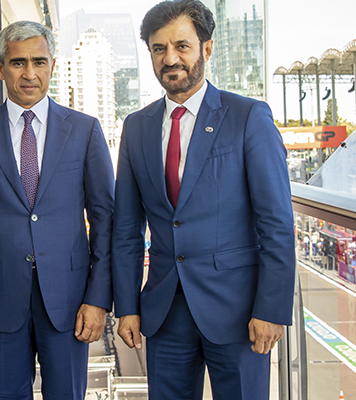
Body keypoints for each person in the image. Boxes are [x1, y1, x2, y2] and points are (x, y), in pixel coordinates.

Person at [111, 1, 296, 399]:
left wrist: (271, 308)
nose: (170, 58)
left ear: (206, 49)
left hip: (239, 311)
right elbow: (126, 228)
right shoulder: (136, 127)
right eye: (159, 48)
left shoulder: (248, 117)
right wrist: (126, 306)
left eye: (182, 46)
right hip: (164, 312)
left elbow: (277, 222)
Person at [0, 21, 115, 399]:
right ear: (1, 68)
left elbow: (105, 221)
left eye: (39, 61)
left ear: (53, 65)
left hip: (70, 301)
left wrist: (99, 298)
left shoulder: (85, 131)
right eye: (18, 63)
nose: (30, 73)